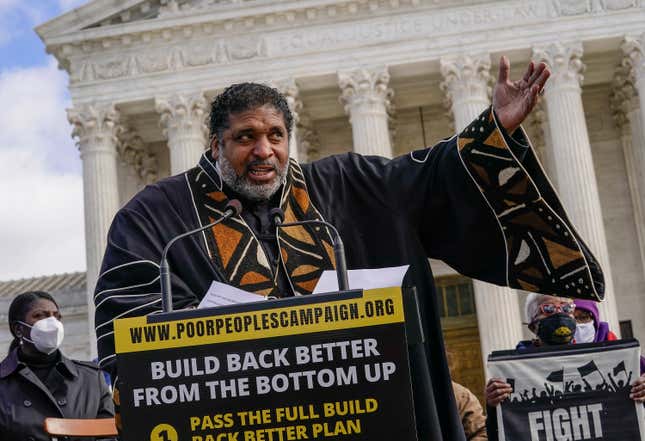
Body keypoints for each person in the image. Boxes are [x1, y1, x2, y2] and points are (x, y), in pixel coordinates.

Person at [95, 57, 606, 441]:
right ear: (215, 145)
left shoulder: (343, 185)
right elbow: (129, 329)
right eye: (245, 137)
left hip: (359, 417)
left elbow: (427, 178)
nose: (264, 150)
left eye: (275, 135)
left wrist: (489, 131)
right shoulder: (156, 216)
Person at [485, 294, 645, 440]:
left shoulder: (605, 362)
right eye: (548, 309)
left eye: (567, 308)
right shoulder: (513, 373)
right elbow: (501, 434)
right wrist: (493, 408)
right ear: (533, 325)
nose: (560, 314)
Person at [0, 291, 115, 441]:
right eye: (40, 315)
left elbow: (109, 435)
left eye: (56, 316)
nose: (52, 323)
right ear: (18, 329)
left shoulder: (91, 379)